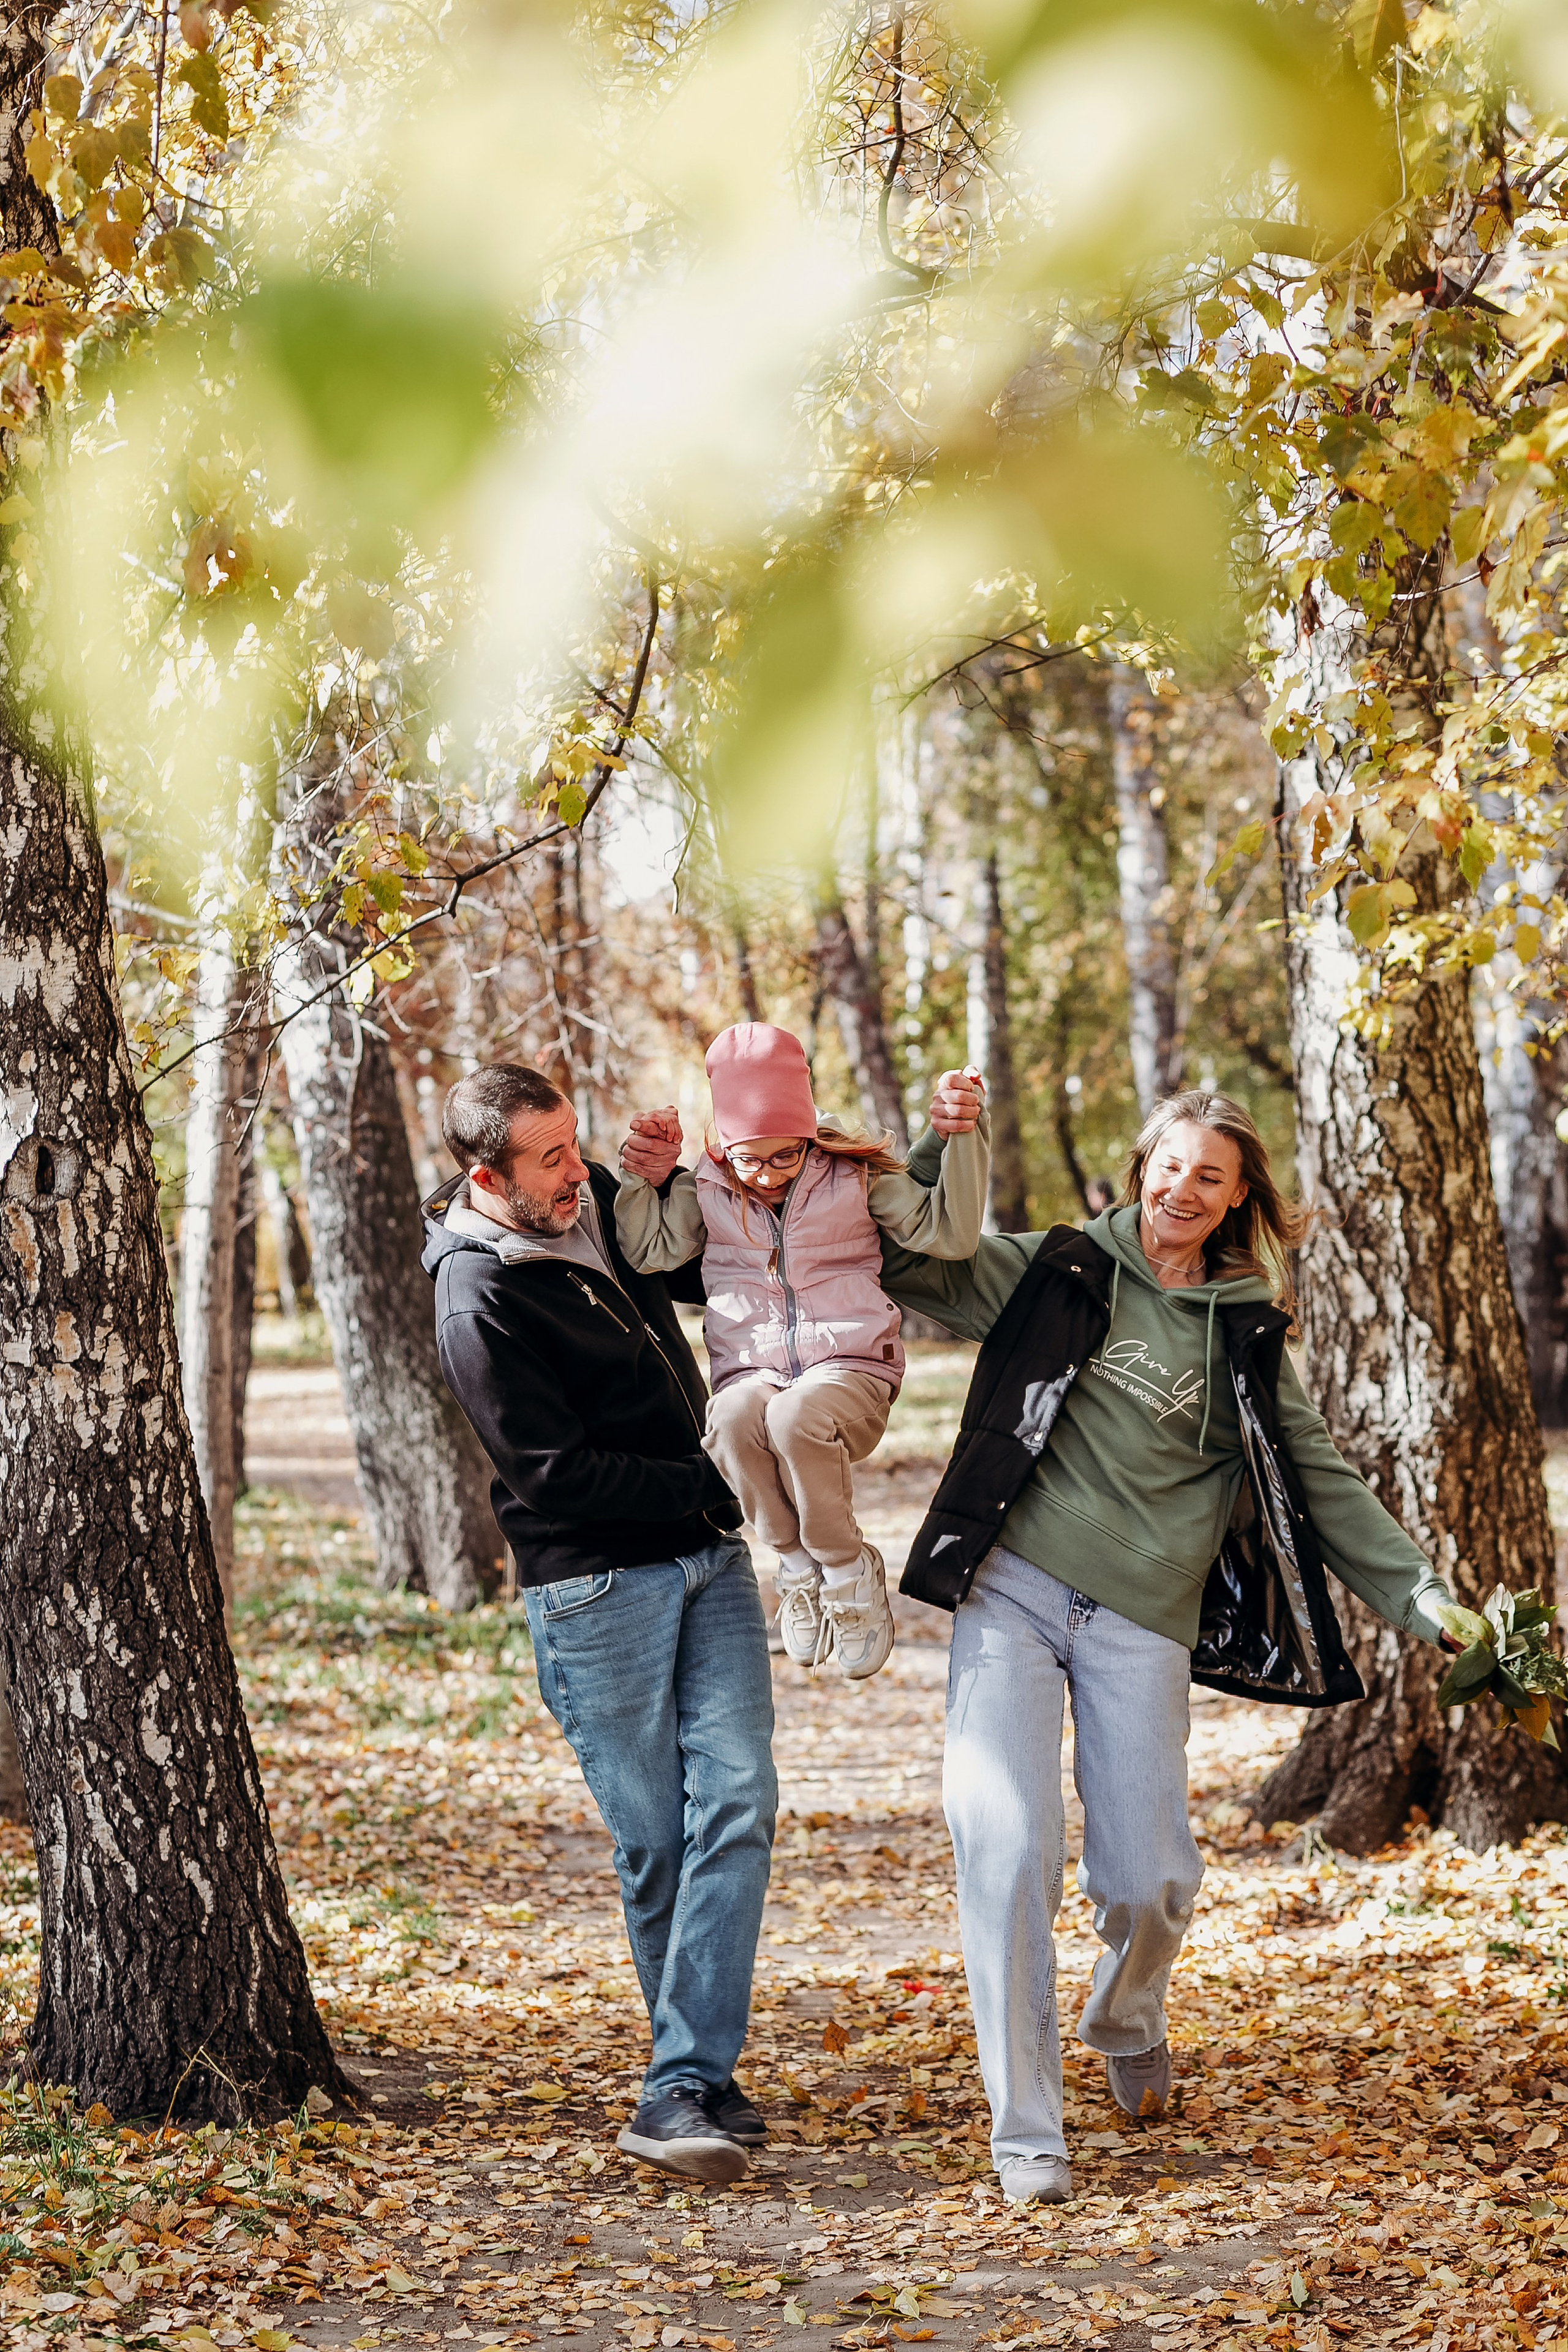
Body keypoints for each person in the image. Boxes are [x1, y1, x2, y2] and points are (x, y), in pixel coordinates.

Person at [878, 1087, 1457, 2209]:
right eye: (1168, 1165)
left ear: (1240, 1198)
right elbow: (918, 1268)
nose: (1179, 1191)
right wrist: (942, 1142)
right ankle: (1028, 2131)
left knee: (1151, 1881)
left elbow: (1324, 1482)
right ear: (1139, 1162)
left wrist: (1425, 1600)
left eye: (1209, 1177)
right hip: (1013, 1589)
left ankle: (1129, 2010)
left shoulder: (1243, 1332)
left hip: (1143, 1619)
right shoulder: (1057, 1268)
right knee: (1006, 1846)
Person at [421, 1065, 775, 2189]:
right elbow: (551, 1473)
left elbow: (659, 1277)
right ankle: (689, 2083)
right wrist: (708, 1481)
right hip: (596, 1590)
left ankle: (682, 2078)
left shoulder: (586, 1216)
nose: (579, 1174)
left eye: (577, 1149)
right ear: (488, 1177)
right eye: (553, 1161)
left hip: (705, 1561)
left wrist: (652, 1175)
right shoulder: (477, 1301)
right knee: (658, 1839)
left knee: (741, 1802)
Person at [614, 1024, 991, 1678]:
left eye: (784, 1156)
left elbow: (947, 1233)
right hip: (751, 1368)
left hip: (850, 1368)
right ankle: (793, 1567)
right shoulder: (708, 1180)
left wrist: (962, 1136)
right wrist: (643, 1180)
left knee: (795, 1417)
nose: (764, 1176)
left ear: (807, 1135)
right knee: (729, 1421)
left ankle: (846, 1570)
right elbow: (653, 1252)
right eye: (747, 1159)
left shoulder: (854, 1173)